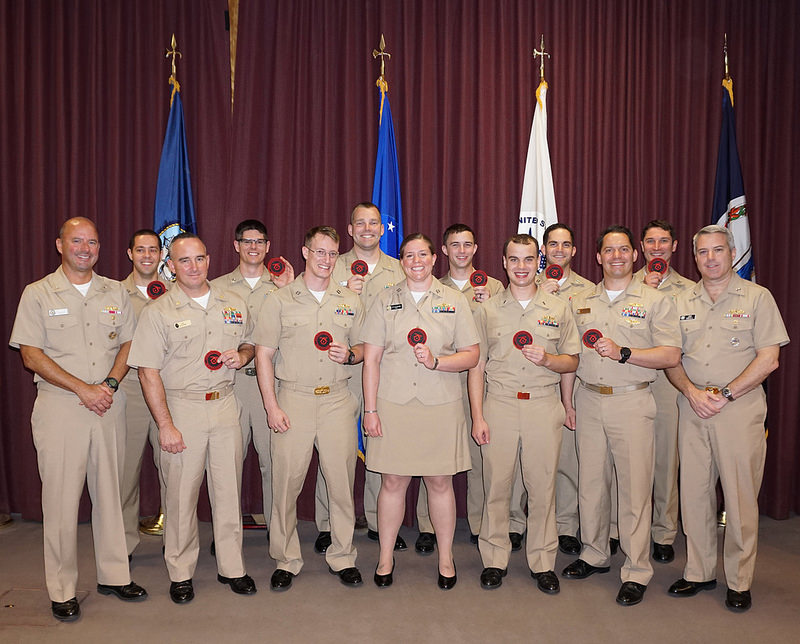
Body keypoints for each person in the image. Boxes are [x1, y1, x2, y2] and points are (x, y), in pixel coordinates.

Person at [10, 217, 147, 622]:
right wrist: (82, 389)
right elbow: (31, 354)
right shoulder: (37, 293)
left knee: (111, 493)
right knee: (61, 501)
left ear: (100, 248)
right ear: (60, 245)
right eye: (77, 241)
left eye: (92, 241)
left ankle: (114, 574)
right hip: (60, 407)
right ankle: (63, 588)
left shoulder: (115, 293)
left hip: (108, 402)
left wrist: (107, 384)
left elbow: (128, 342)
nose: (85, 248)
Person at [128, 233, 257, 603]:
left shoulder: (233, 303)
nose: (193, 266)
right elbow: (147, 372)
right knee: (181, 495)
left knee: (228, 490)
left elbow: (248, 342)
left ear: (209, 259)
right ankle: (180, 571)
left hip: (225, 404)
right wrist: (166, 425)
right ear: (170, 266)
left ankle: (233, 567)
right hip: (182, 408)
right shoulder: (158, 312)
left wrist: (243, 356)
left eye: (199, 258)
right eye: (184, 261)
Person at [665, 225, 788, 612]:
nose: (711, 258)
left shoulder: (757, 297)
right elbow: (671, 358)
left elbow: (769, 358)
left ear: (732, 252)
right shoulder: (680, 300)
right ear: (694, 256)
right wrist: (691, 392)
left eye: (718, 250)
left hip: (739, 409)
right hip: (693, 406)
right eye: (703, 252)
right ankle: (699, 572)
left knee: (738, 499)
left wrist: (726, 393)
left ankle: (739, 580)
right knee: (694, 494)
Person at [562, 225, 681, 607]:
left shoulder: (655, 300)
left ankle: (636, 569)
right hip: (590, 400)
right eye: (609, 250)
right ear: (597, 257)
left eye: (624, 250)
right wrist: (569, 403)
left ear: (635, 256)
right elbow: (571, 356)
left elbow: (670, 355)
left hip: (632, 402)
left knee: (633, 490)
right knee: (591, 483)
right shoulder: (580, 300)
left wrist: (626, 352)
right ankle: (595, 553)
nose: (616, 256)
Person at [361, 233, 479, 590]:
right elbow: (371, 360)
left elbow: (472, 355)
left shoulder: (454, 300)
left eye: (422, 254)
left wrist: (437, 361)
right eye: (409, 255)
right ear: (401, 261)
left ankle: (446, 556)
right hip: (393, 404)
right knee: (392, 482)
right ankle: (385, 556)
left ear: (433, 258)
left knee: (440, 482)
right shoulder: (384, 299)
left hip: (440, 405)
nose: (416, 260)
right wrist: (370, 410)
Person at [254, 226, 365, 591]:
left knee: (341, 484)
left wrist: (350, 354)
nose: (326, 259)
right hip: (294, 399)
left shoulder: (350, 300)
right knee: (286, 484)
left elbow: (366, 347)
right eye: (319, 252)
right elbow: (264, 355)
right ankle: (286, 558)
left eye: (332, 253)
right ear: (304, 252)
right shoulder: (280, 300)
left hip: (336, 399)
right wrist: (272, 406)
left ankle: (343, 555)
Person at [470, 234, 580, 593]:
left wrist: (548, 360)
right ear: (504, 263)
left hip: (542, 404)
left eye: (528, 259)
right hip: (499, 404)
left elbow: (572, 361)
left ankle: (543, 561)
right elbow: (477, 365)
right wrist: (478, 415)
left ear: (540, 262)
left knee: (542, 487)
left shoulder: (558, 308)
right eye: (514, 260)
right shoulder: (487, 310)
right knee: (496, 487)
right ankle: (494, 559)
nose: (521, 267)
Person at [315, 203, 406, 554]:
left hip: (380, 373)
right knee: (332, 453)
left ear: (383, 229)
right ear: (350, 229)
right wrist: (343, 287)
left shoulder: (399, 270)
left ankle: (377, 517)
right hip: (336, 372)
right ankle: (327, 523)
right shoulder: (328, 264)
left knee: (378, 446)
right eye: (360, 223)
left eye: (374, 223)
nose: (367, 228)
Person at [429, 223, 526, 554]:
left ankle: (481, 522)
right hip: (440, 379)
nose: (461, 251)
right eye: (454, 245)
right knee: (433, 453)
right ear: (443, 251)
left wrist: (486, 303)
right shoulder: (432, 286)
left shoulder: (496, 287)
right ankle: (428, 526)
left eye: (467, 244)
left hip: (481, 382)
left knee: (482, 456)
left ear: (476, 249)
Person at [210, 220, 293, 539]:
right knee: (227, 467)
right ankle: (226, 539)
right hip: (232, 384)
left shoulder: (285, 285)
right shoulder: (217, 287)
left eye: (260, 241)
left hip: (273, 386)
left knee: (275, 464)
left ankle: (279, 536)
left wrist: (288, 289)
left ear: (268, 246)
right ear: (236, 245)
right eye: (247, 241)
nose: (253, 247)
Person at [634, 220, 694, 564]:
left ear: (674, 246)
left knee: (665, 462)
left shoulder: (689, 290)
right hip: (631, 381)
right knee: (629, 463)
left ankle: (663, 531)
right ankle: (621, 529)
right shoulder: (627, 283)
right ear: (642, 247)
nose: (657, 248)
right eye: (651, 242)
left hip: (669, 385)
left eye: (664, 242)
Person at [537, 223, 594, 556]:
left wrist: (568, 398)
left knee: (567, 462)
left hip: (574, 382)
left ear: (574, 251)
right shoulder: (527, 283)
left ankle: (566, 527)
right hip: (537, 382)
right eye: (553, 244)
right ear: (543, 250)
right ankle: (519, 524)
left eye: (566, 244)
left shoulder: (589, 291)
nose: (559, 249)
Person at [119, 229, 168, 556]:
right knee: (125, 473)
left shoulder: (177, 292)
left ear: (162, 256)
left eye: (153, 250)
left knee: (174, 471)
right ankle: (121, 548)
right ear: (130, 254)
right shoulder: (112, 294)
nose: (147, 256)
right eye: (141, 250)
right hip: (132, 391)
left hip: (170, 391)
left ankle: (177, 546)